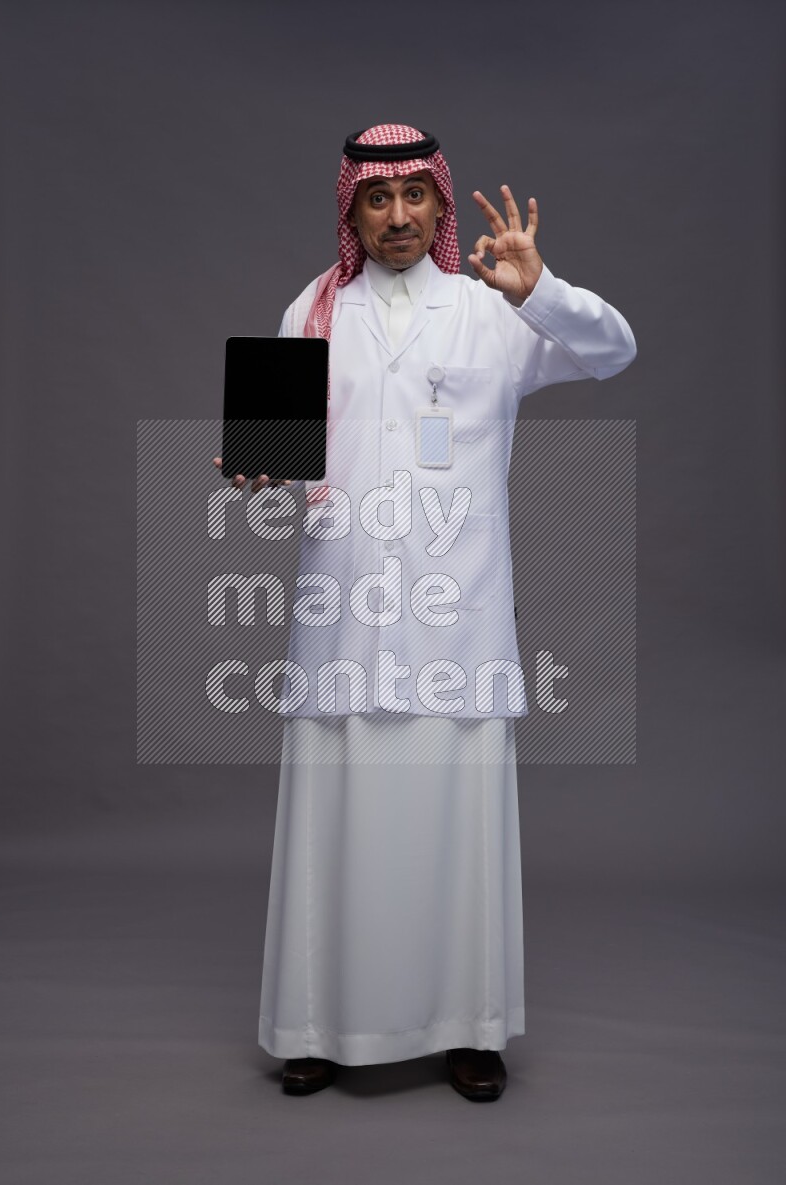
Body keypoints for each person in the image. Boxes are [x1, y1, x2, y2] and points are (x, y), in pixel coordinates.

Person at [214, 124, 636, 1101]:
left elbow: (613, 354)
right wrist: (257, 472)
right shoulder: (314, 313)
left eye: (415, 197)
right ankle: (313, 1025)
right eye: (377, 198)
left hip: (458, 618)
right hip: (342, 604)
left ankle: (468, 1027)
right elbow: (286, 463)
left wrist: (541, 287)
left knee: (456, 823)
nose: (397, 216)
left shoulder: (493, 310)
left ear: (442, 208)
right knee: (334, 818)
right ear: (350, 210)